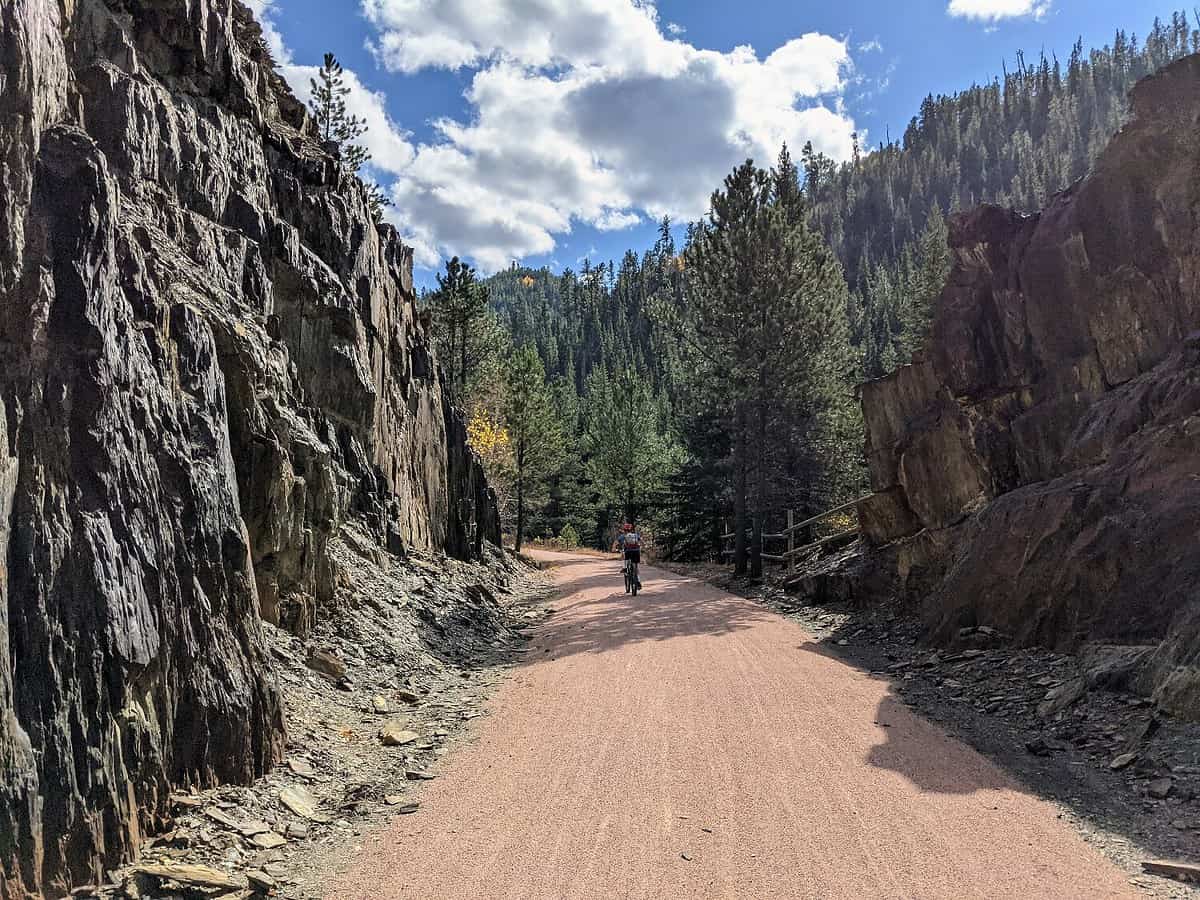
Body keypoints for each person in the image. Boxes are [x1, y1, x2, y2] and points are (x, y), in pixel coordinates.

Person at [615, 522, 642, 590]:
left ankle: (625, 568)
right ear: (631, 529)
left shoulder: (622, 536)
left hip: (628, 552)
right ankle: (638, 581)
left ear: (624, 530)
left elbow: (616, 543)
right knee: (636, 568)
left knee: (624, 556)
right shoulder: (635, 535)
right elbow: (641, 541)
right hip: (636, 551)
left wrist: (614, 549)